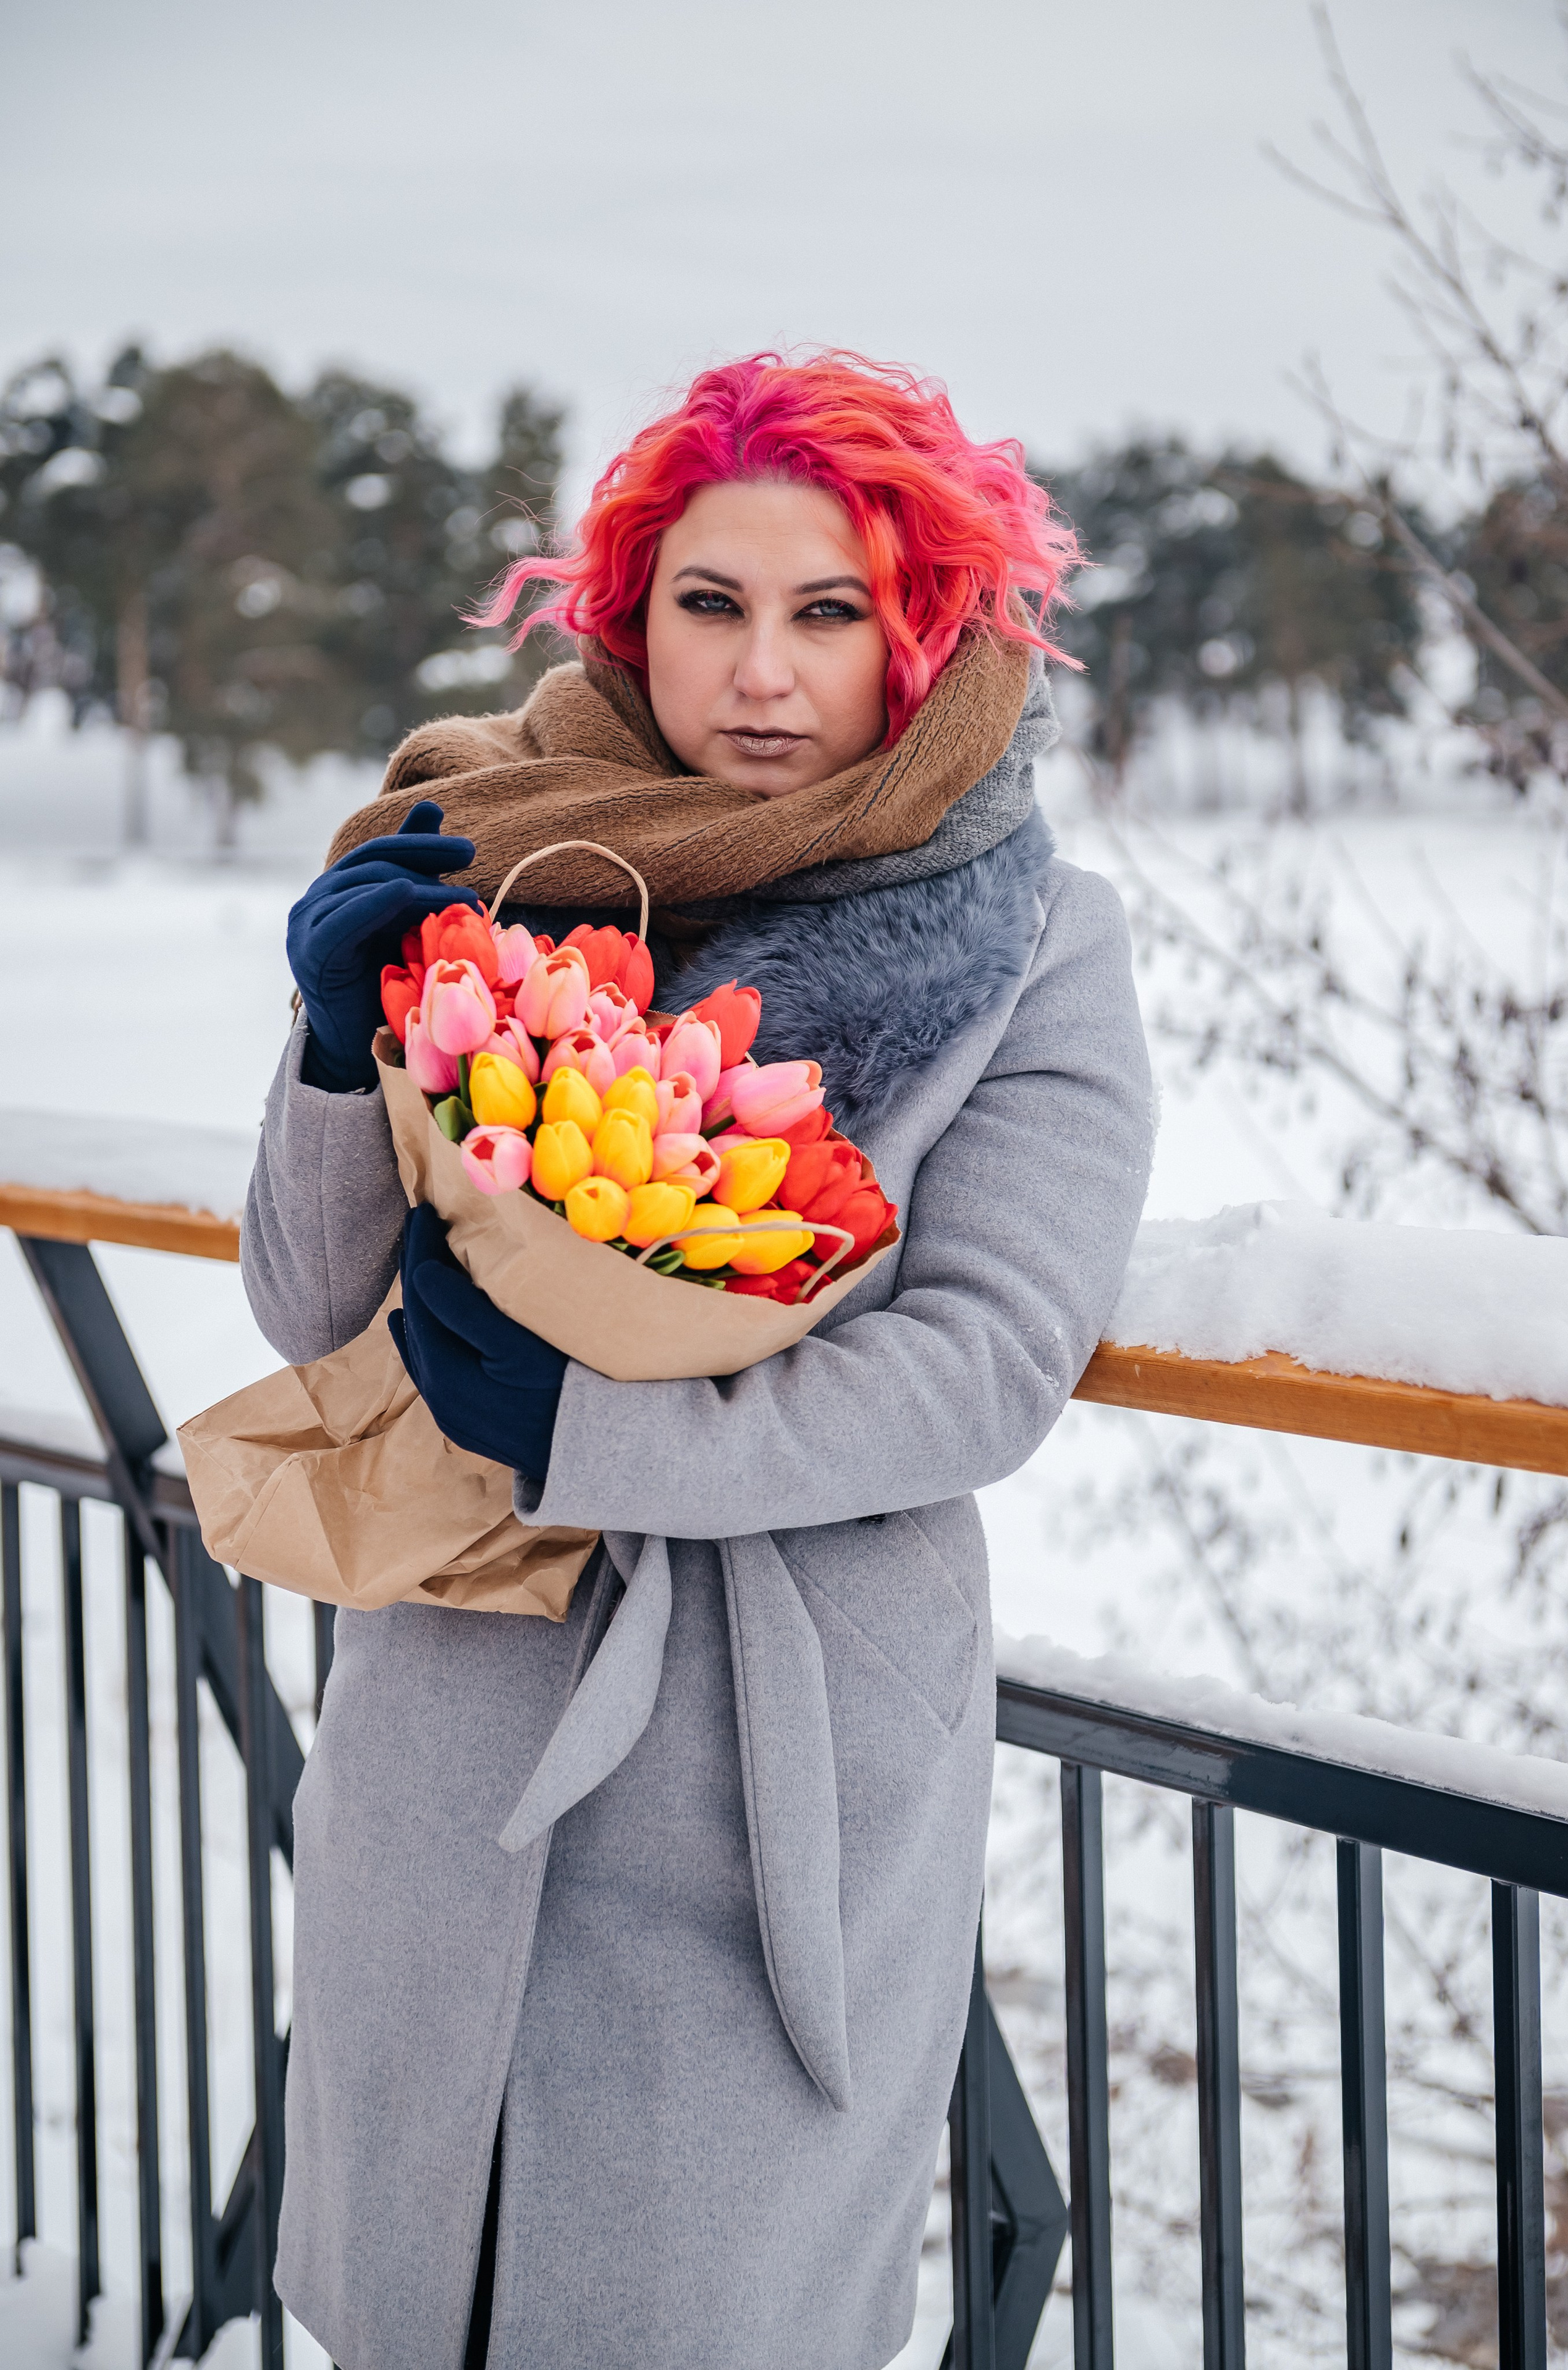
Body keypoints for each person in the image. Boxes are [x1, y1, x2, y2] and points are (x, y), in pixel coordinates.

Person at [242, 351, 1152, 2370]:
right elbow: (313, 1302)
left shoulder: (1028, 935)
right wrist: (331, 1039)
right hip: (460, 1708)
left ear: (922, 636)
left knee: (694, 2304)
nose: (761, 673)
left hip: (771, 1752)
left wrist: (597, 1426)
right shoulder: (490, 847)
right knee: (417, 2294)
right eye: (711, 604)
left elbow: (989, 1362)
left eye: (832, 612)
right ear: (629, 615)